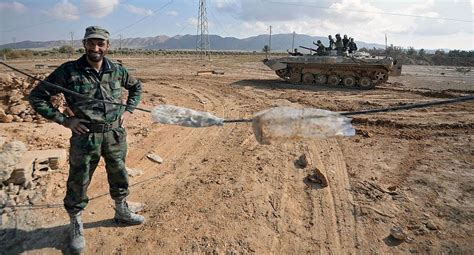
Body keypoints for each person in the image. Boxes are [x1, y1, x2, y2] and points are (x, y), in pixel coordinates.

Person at [28, 26, 144, 254]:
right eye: (92, 43)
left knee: (119, 174)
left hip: (114, 135)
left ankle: (121, 211)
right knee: (78, 180)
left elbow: (136, 88)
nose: (96, 48)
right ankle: (76, 224)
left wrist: (128, 111)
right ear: (84, 44)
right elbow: (37, 96)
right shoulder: (69, 71)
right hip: (85, 137)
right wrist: (64, 120)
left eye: (100, 43)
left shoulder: (117, 70)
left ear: (107, 46)